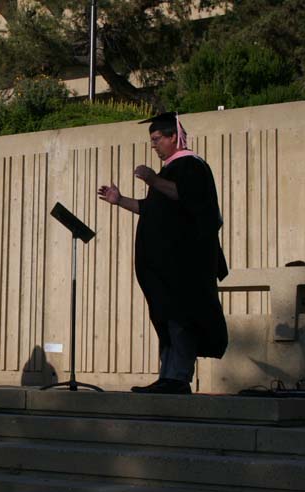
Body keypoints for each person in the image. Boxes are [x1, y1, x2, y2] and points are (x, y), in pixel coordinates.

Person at [97, 112, 228, 394]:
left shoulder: (192, 166)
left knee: (181, 317)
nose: (154, 145)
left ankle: (178, 377)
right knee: (166, 318)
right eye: (152, 140)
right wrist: (119, 201)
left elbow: (188, 197)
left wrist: (153, 179)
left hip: (184, 266)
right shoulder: (169, 171)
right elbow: (149, 208)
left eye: (157, 139)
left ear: (174, 137)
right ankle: (167, 375)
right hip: (163, 268)